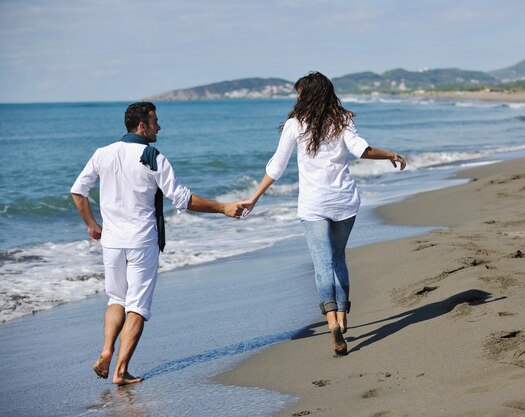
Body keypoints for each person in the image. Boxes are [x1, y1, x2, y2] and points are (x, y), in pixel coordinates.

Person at [71, 102, 244, 385]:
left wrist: (92, 225)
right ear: (142, 126)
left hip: (112, 242)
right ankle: (120, 371)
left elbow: (78, 191)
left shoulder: (102, 154)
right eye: (155, 122)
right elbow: (183, 199)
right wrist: (223, 207)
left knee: (116, 299)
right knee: (137, 307)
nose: (159, 128)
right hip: (141, 241)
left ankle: (106, 350)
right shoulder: (152, 157)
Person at [242, 72, 406, 356]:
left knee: (322, 263)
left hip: (314, 205)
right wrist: (391, 154)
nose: (297, 98)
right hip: (344, 203)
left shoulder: (294, 125)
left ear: (306, 95)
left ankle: (330, 321)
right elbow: (362, 150)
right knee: (339, 259)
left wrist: (253, 198)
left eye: (299, 93)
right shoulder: (343, 120)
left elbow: (276, 167)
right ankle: (343, 318)